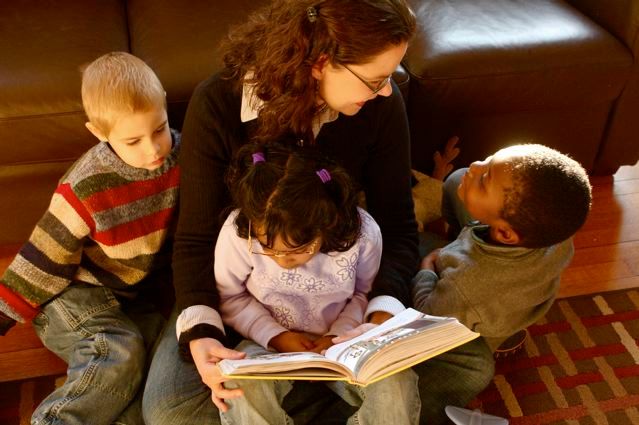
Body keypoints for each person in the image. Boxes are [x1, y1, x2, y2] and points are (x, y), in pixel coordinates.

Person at [142, 1, 493, 424]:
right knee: (169, 412)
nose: (386, 90)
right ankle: (328, 400)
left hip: (346, 283)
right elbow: (196, 239)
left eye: (391, 77)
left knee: (472, 363)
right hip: (251, 290)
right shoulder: (218, 101)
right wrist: (202, 333)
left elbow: (397, 225)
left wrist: (378, 320)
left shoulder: (381, 106)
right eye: (376, 79)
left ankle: (306, 397)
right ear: (321, 62)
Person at [0, 51, 180, 425]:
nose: (153, 149)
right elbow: (43, 256)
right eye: (133, 141)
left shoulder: (183, 157)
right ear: (100, 133)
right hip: (74, 297)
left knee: (152, 370)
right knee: (119, 349)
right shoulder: (85, 185)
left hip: (130, 300)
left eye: (159, 129)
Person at [215, 142, 419, 424]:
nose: (280, 259)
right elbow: (229, 296)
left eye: (298, 249)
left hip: (346, 342)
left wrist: (337, 337)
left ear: (328, 224)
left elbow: (365, 293)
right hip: (267, 343)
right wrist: (276, 336)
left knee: (395, 377)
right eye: (267, 246)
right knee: (241, 386)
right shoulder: (239, 233)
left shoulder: (362, 235)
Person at [411, 144, 592, 420]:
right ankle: (453, 235)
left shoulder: (467, 286)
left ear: (505, 234)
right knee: (457, 179)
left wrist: (426, 268)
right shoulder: (557, 238)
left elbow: (429, 310)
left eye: (484, 180)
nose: (476, 167)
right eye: (489, 161)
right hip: (506, 291)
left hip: (468, 308)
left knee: (408, 247)